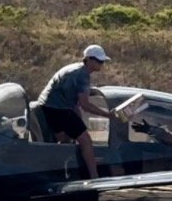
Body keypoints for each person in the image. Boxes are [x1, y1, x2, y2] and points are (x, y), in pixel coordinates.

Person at [36, 44, 118, 179]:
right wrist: (108, 115)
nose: (101, 64)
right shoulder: (82, 75)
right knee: (86, 141)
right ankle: (94, 176)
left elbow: (74, 101)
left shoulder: (75, 69)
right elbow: (85, 105)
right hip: (58, 109)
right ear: (89, 60)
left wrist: (77, 117)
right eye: (99, 61)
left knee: (64, 140)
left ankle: (60, 172)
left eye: (102, 61)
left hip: (47, 106)